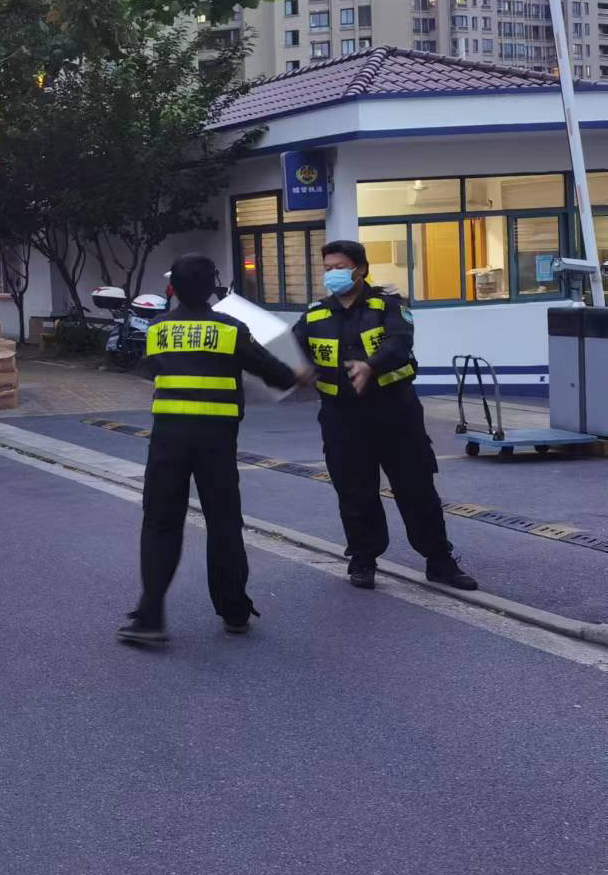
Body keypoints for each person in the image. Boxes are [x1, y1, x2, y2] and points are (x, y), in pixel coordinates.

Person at [118, 254, 309, 646]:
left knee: (160, 522)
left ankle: (150, 616)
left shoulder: (157, 328)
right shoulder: (230, 329)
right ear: (213, 289)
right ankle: (234, 611)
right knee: (223, 523)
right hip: (216, 443)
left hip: (167, 440)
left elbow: (152, 370)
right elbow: (272, 372)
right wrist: (298, 374)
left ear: (172, 289)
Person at [294, 239, 479, 592]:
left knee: (417, 489)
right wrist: (295, 371)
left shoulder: (389, 305)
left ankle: (439, 560)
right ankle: (363, 559)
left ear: (360, 269)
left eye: (339, 267)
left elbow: (399, 342)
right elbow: (293, 351)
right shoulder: (314, 315)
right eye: (327, 268)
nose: (332, 274)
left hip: (395, 414)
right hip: (342, 419)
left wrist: (370, 366)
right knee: (354, 492)